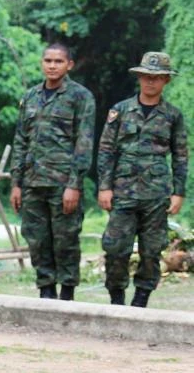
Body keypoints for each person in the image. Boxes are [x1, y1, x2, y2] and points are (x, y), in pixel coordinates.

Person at [97, 52, 188, 308]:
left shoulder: (173, 115)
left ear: (166, 81)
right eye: (147, 77)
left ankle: (140, 302)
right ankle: (116, 299)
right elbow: (106, 150)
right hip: (123, 193)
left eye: (157, 78)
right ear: (139, 78)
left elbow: (180, 156)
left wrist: (178, 192)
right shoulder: (121, 111)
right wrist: (104, 186)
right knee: (116, 249)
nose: (151, 82)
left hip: (156, 195)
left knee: (151, 252)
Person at [10, 43, 96, 301]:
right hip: (33, 182)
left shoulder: (81, 97)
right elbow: (20, 141)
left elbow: (84, 142)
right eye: (48, 60)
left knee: (66, 240)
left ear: (69, 64)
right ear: (41, 63)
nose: (52, 65)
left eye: (58, 61)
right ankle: (45, 291)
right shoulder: (31, 97)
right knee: (37, 240)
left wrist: (74, 184)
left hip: (63, 183)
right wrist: (16, 183)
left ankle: (67, 293)